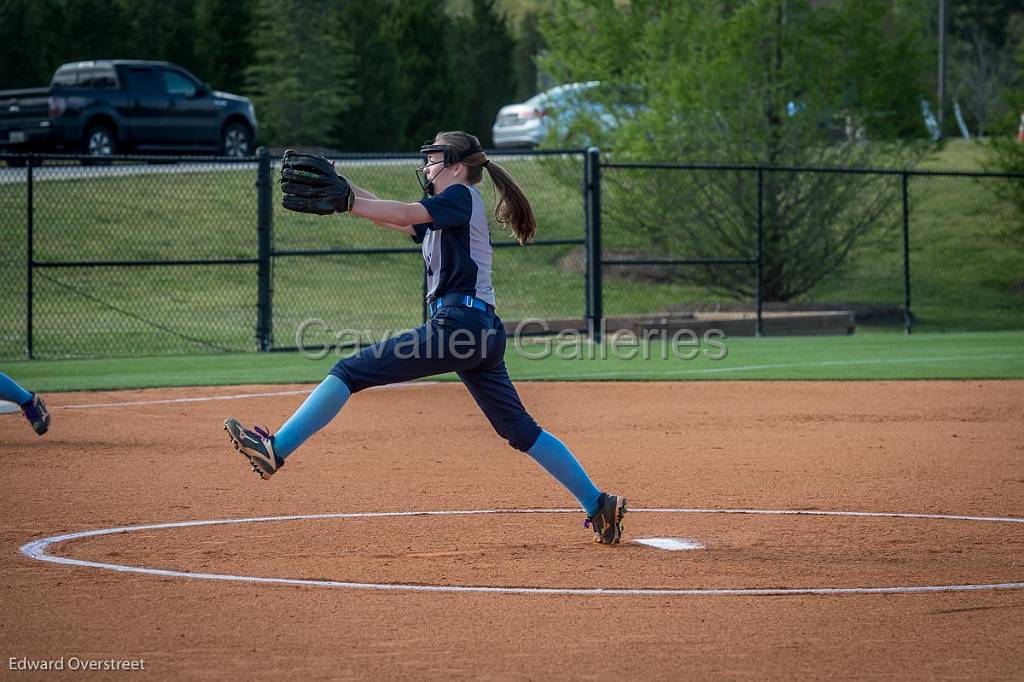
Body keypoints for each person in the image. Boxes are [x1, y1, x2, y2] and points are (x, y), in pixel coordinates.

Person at [224, 131, 626, 544]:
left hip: (459, 327)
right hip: (479, 331)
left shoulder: (462, 197)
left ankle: (276, 449)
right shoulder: (446, 210)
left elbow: (400, 214)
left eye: (434, 159)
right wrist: (344, 186)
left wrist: (348, 200)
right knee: (521, 431)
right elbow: (392, 216)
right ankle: (599, 504)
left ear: (456, 166)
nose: (428, 166)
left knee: (348, 370)